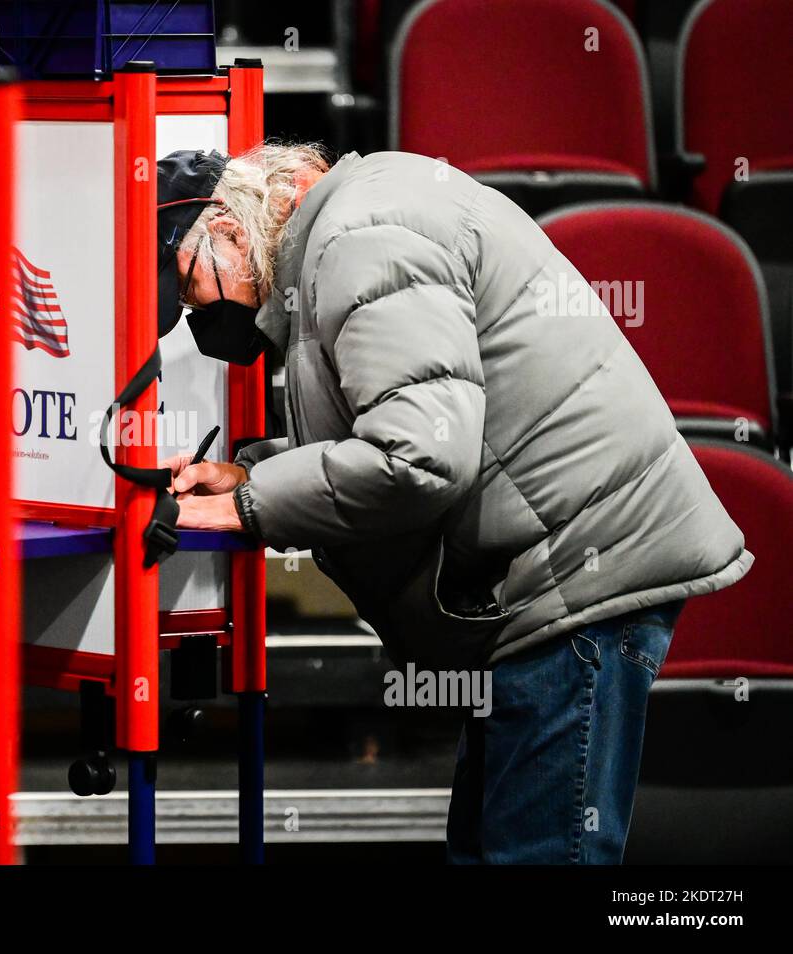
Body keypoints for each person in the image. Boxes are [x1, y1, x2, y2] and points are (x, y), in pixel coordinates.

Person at [156, 145, 753, 864]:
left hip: (571, 583)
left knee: (535, 857)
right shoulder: (354, 222)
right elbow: (400, 423)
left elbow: (417, 458)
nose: (201, 313)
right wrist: (249, 470)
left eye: (192, 285)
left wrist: (248, 506)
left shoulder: (358, 239)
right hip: (542, 584)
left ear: (228, 225)